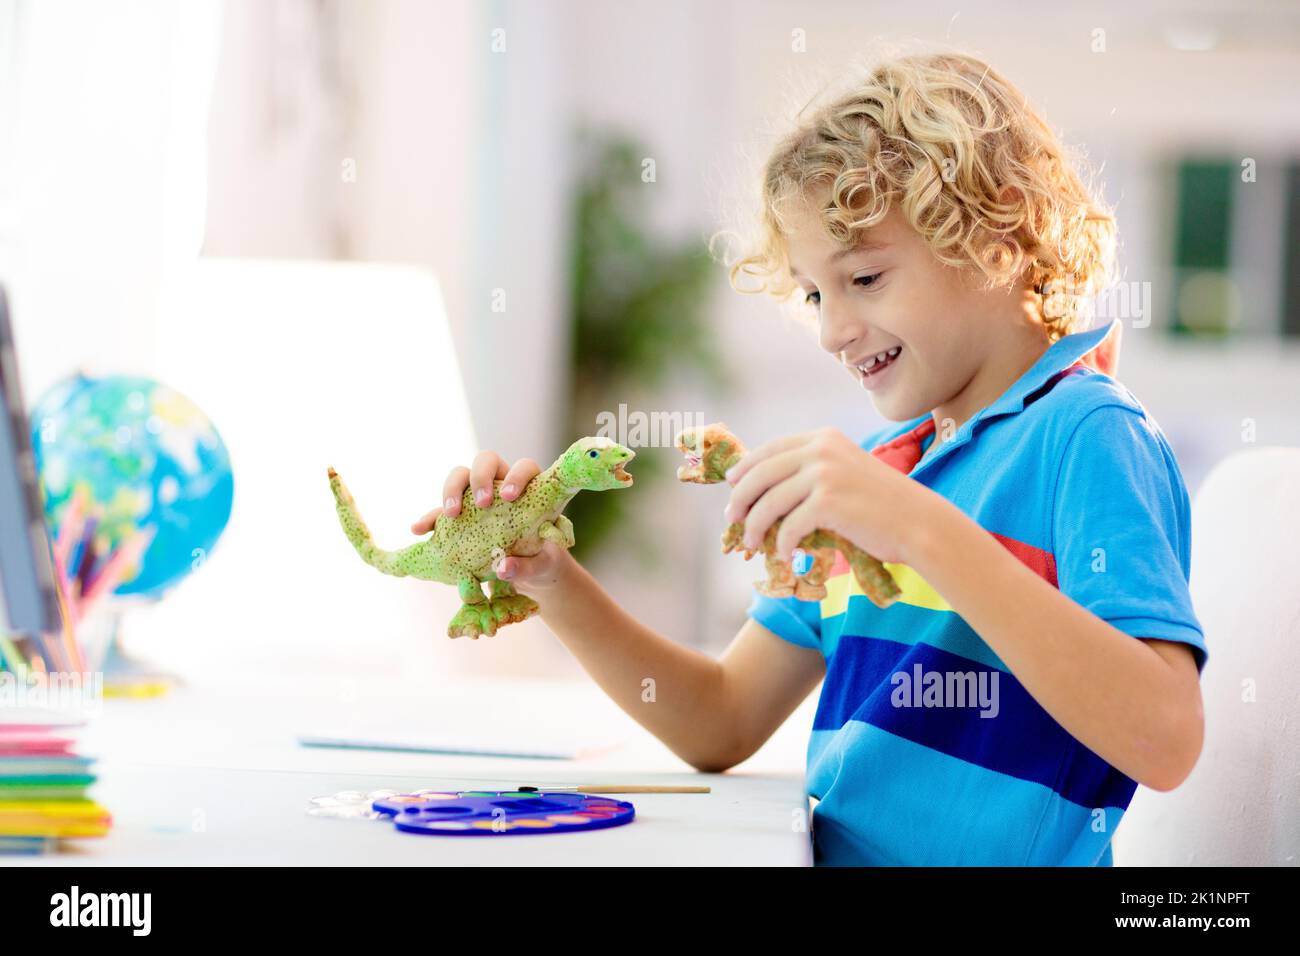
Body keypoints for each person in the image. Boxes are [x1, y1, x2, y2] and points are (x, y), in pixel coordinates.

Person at [411, 51, 1205, 866]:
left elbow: (1165, 737)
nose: (832, 331)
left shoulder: (1086, 435)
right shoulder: (885, 470)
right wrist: (551, 579)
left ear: (996, 234)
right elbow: (719, 719)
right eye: (816, 295)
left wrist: (914, 527)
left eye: (864, 276)